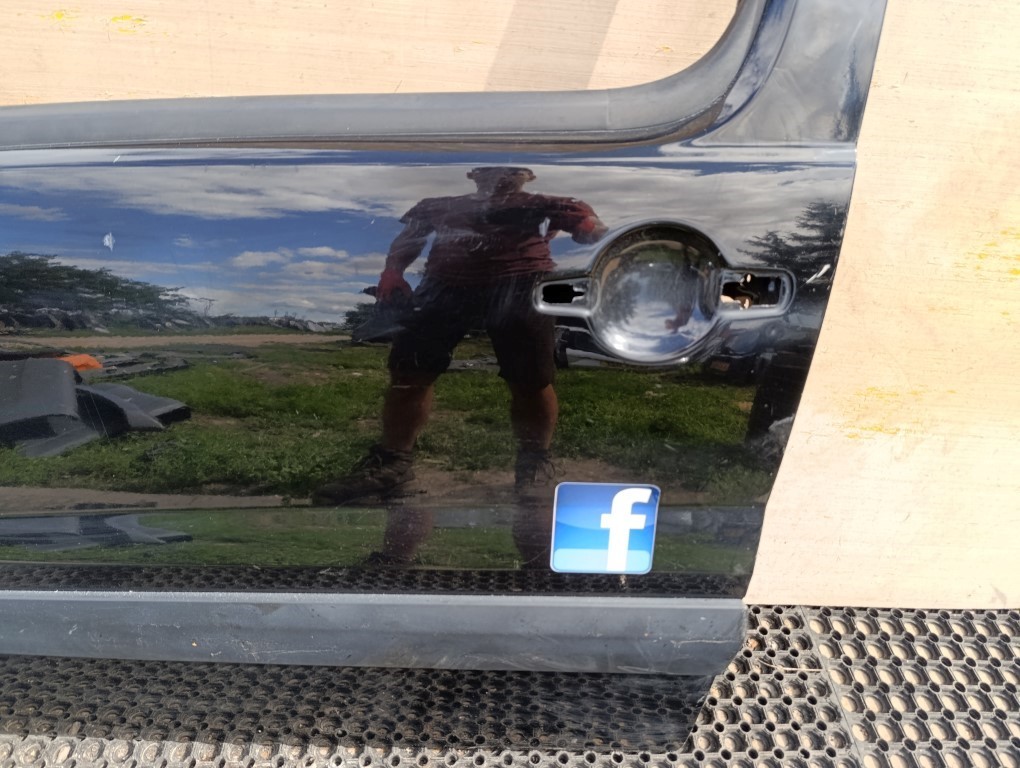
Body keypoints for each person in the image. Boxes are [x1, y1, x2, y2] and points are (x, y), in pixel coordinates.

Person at [313, 166, 607, 507]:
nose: (501, 174)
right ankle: (392, 466)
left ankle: (534, 465)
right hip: (444, 286)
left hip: (522, 285)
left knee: (532, 378)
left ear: (528, 177)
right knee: (409, 372)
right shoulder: (439, 205)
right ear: (473, 176)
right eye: (490, 169)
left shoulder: (548, 204)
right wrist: (392, 272)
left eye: (512, 169)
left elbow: (591, 230)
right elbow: (410, 238)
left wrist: (592, 229)